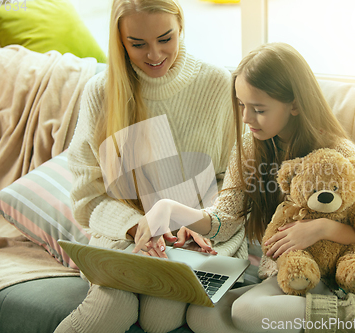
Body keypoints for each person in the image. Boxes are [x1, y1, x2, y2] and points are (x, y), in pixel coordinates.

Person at [167, 42, 355, 333]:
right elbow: (225, 221)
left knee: (246, 312)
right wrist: (170, 211)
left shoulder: (337, 152)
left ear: (294, 104)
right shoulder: (248, 148)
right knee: (202, 314)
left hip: (323, 277)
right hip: (277, 274)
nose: (245, 118)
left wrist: (322, 228)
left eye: (258, 109)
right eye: (242, 105)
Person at [54, 0, 247, 332]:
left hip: (199, 233)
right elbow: (88, 197)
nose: (155, 54)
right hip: (125, 234)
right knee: (112, 306)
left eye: (165, 38)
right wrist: (137, 227)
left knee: (162, 318)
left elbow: (236, 186)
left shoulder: (217, 85)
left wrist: (191, 220)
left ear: (181, 27)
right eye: (137, 44)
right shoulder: (100, 93)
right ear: (120, 41)